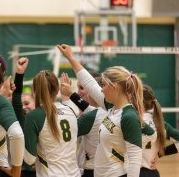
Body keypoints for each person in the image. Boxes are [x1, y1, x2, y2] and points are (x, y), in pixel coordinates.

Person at [58, 44, 146, 177]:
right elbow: (89, 82)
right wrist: (70, 57)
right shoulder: (112, 108)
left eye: (104, 85)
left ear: (114, 86)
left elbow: (135, 160)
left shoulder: (128, 116)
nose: (101, 89)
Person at [24, 70, 83, 176]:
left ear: (35, 92)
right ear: (57, 90)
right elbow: (70, 105)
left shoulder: (34, 116)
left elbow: (29, 160)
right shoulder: (71, 111)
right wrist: (67, 92)